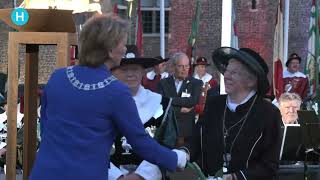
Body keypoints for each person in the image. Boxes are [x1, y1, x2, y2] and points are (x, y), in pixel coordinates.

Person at [29, 15, 188, 180]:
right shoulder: (116, 91)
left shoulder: (58, 77)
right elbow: (141, 143)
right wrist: (178, 158)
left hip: (45, 172)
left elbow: (46, 126)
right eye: (122, 43)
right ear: (110, 49)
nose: (125, 49)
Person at [187, 47, 282, 179]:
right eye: (226, 70)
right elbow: (196, 140)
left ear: (251, 81)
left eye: (234, 72)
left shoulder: (268, 113)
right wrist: (183, 153)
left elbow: (269, 166)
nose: (226, 76)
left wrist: (236, 177)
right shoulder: (214, 104)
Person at [109, 45, 174, 180]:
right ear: (115, 72)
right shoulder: (101, 104)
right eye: (124, 69)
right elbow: (91, 146)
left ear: (143, 71)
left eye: (135, 69)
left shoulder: (161, 104)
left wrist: (141, 176)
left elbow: (168, 144)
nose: (130, 74)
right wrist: (117, 177)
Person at [157, 52, 202, 147]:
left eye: (187, 66)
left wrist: (169, 100)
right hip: (167, 132)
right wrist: (179, 109)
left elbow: (193, 101)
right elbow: (160, 104)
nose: (184, 69)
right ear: (173, 67)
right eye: (181, 66)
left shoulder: (196, 83)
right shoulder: (163, 83)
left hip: (186, 134)